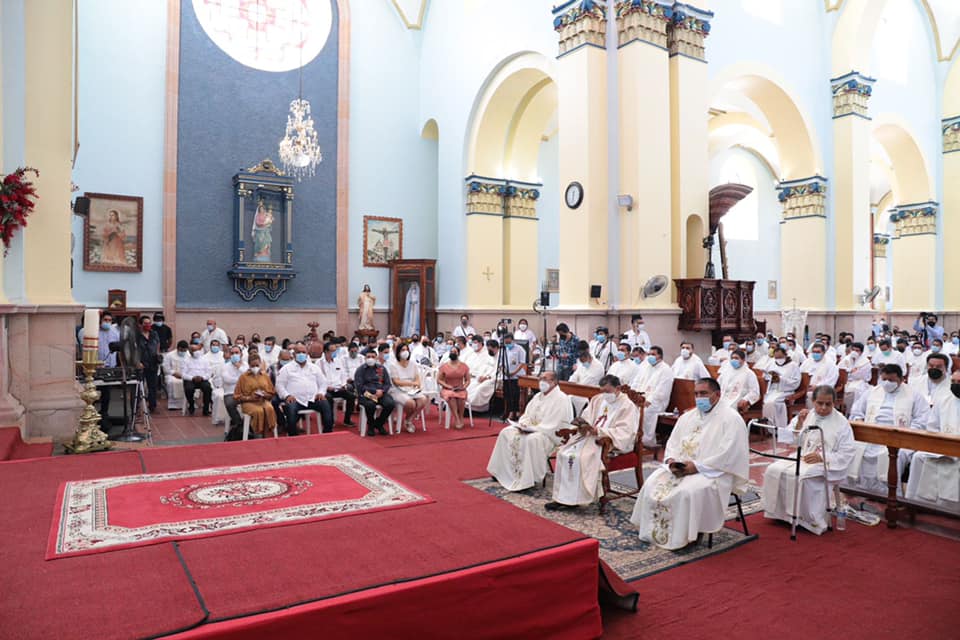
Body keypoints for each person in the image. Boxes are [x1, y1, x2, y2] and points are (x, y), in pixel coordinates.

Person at [631, 377, 749, 549]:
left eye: (704, 393)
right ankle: (652, 530)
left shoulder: (732, 419)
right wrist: (671, 460)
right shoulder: (687, 417)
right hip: (682, 467)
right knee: (651, 484)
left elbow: (730, 453)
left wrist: (697, 467)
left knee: (686, 492)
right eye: (696, 394)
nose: (699, 398)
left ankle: (689, 534)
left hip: (713, 471)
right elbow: (673, 443)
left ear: (717, 394)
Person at [761, 386, 857, 535]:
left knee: (801, 476)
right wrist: (799, 423)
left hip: (825, 463)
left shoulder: (842, 423)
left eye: (828, 404)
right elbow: (793, 439)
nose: (823, 408)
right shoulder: (807, 414)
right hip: (803, 456)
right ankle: (780, 514)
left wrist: (822, 457)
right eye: (820, 403)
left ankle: (808, 520)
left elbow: (847, 451)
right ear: (813, 401)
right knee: (773, 469)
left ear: (834, 403)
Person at [546, 375, 639, 510]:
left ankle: (579, 498)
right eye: (602, 391)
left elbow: (626, 431)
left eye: (607, 391)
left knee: (582, 457)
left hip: (608, 441)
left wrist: (599, 431)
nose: (604, 394)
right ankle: (563, 497)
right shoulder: (598, 399)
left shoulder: (627, 406)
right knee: (563, 453)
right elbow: (587, 416)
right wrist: (583, 426)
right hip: (589, 437)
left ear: (618, 388)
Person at [847, 364, 928, 493]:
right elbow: (856, 412)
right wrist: (860, 423)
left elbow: (922, 419)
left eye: (891, 380)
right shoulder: (872, 392)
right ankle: (859, 492)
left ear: (901, 379)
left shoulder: (914, 395)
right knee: (855, 449)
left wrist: (907, 432)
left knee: (896, 455)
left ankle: (889, 494)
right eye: (884, 379)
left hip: (900, 437)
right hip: (871, 434)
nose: (886, 383)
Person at [487, 372, 573, 491]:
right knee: (506, 433)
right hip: (532, 429)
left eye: (545, 379)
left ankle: (527, 479)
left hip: (549, 435)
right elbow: (527, 414)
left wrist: (533, 429)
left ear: (554, 382)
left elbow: (555, 423)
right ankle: (502, 471)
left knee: (531, 440)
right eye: (540, 378)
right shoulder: (538, 396)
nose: (542, 381)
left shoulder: (561, 399)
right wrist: (524, 425)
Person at [905, 368, 960, 512]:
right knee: (918, 457)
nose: (955, 385)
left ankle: (952, 508)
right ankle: (916, 502)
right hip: (943, 445)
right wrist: (942, 443)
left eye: (959, 382)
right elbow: (932, 426)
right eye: (953, 382)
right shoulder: (943, 401)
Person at [276, 344, 333, 435]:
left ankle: (327, 433)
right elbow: (279, 385)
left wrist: (321, 393)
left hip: (313, 399)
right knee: (291, 413)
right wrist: (287, 396)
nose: (301, 354)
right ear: (294, 354)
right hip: (295, 400)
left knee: (325, 405)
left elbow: (323, 383)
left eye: (303, 352)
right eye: (298, 352)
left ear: (307, 354)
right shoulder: (286, 369)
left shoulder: (314, 368)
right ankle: (293, 436)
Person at [630, 346, 674, 447]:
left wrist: (648, 400)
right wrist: (632, 395)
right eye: (649, 354)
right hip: (640, 398)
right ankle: (632, 438)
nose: (650, 356)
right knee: (629, 408)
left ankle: (645, 441)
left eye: (653, 354)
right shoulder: (645, 367)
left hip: (656, 402)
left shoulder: (666, 370)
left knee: (645, 412)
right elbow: (636, 382)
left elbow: (662, 391)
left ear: (660, 356)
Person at [761, 346, 802, 441]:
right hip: (772, 390)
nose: (778, 360)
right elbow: (765, 377)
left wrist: (781, 379)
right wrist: (771, 378)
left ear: (785, 355)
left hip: (785, 391)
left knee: (773, 402)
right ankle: (768, 428)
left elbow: (796, 382)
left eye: (780, 357)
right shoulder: (771, 363)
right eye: (776, 357)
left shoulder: (793, 366)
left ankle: (779, 429)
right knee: (764, 402)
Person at [232, 353, 277, 437]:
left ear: (260, 364)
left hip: (263, 400)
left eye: (257, 365)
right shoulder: (243, 377)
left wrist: (265, 395)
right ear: (249, 365)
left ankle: (266, 433)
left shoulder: (265, 376)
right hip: (248, 402)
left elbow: (272, 392)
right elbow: (237, 395)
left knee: (269, 408)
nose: (255, 367)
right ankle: (257, 433)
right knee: (258, 411)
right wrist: (250, 398)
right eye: (252, 366)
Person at [388, 342, 429, 432]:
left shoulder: (412, 364)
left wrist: (416, 384)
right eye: (403, 350)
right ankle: (408, 420)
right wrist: (411, 383)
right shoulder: (393, 365)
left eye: (407, 350)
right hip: (398, 390)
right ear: (398, 352)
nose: (405, 352)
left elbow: (417, 378)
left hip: (412, 389)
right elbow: (396, 382)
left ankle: (409, 420)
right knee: (411, 403)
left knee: (423, 400)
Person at [354, 347, 396, 435]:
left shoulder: (382, 368)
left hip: (381, 393)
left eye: (373, 357)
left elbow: (387, 383)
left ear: (376, 358)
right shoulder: (360, 370)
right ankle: (371, 425)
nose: (370, 359)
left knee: (390, 404)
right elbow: (359, 386)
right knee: (370, 405)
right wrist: (374, 391)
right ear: (365, 358)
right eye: (368, 357)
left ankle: (379, 423)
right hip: (366, 394)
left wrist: (382, 391)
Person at [94, 312, 121, 433]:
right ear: (101, 320)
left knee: (106, 393)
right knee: (94, 392)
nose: (107, 322)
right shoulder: (94, 332)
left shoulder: (115, 332)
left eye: (110, 320)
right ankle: (93, 415)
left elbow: (119, 348)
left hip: (110, 366)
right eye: (105, 320)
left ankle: (104, 413)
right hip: (96, 366)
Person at [320, 341, 356, 426]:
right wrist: (327, 387)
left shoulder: (338, 361)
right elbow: (319, 379)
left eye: (335, 350)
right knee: (328, 398)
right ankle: (330, 420)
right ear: (326, 351)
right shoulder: (320, 363)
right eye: (332, 351)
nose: (334, 352)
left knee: (352, 396)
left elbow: (343, 375)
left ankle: (347, 420)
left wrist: (344, 384)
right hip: (326, 389)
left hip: (338, 388)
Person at [438, 346, 471, 429]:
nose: (453, 353)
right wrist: (447, 386)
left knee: (461, 398)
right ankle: (456, 418)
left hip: (460, 388)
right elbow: (439, 380)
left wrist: (464, 387)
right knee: (451, 397)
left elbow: (467, 380)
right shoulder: (444, 366)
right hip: (447, 389)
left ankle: (461, 417)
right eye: (451, 352)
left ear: (458, 354)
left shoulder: (464, 366)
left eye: (455, 352)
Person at [219, 345, 247, 438]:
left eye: (236, 353)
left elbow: (248, 377)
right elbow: (227, 379)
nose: (234, 355)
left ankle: (250, 426)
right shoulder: (225, 366)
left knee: (255, 403)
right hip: (230, 392)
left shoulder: (245, 365)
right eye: (232, 353)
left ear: (241, 354)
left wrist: (239, 367)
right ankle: (240, 425)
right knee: (229, 404)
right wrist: (241, 379)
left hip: (245, 392)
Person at [135, 315, 160, 412]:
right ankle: (136, 406)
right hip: (141, 363)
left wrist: (157, 355)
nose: (148, 325)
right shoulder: (136, 335)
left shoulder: (154, 334)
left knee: (153, 386)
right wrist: (137, 362)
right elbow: (133, 350)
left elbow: (157, 344)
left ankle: (152, 405)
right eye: (145, 323)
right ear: (140, 324)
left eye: (149, 323)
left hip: (153, 363)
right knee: (138, 386)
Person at [839, 342, 872, 412]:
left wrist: (849, 372)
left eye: (857, 350)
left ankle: (853, 411)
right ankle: (844, 409)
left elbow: (860, 376)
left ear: (861, 352)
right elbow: (840, 369)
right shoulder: (846, 359)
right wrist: (849, 371)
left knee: (856, 390)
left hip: (860, 382)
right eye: (853, 350)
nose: (854, 352)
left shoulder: (865, 362)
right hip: (846, 381)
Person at [466, 339, 498, 412]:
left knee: (480, 389)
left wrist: (487, 377)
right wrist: (482, 376)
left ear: (496, 348)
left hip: (494, 379)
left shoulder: (499, 357)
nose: (489, 351)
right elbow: (485, 368)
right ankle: (468, 406)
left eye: (490, 350)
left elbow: (497, 372)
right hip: (485, 376)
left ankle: (477, 408)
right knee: (472, 385)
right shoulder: (490, 356)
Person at [182, 343, 213, 416]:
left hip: (202, 379)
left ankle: (206, 409)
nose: (196, 352)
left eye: (197, 350)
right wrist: (192, 378)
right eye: (194, 350)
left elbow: (209, 373)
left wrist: (202, 377)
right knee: (189, 389)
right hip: (190, 380)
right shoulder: (186, 360)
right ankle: (191, 405)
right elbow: (183, 374)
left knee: (207, 388)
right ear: (190, 351)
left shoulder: (205, 360)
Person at [501, 333, 527, 421]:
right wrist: (504, 371)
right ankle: (507, 411)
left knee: (514, 394)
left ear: (513, 340)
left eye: (509, 342)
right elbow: (501, 362)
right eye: (506, 342)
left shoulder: (520, 349)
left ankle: (514, 412)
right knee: (506, 394)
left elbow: (522, 363)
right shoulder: (504, 349)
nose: (507, 344)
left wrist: (514, 372)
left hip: (516, 375)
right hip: (506, 375)